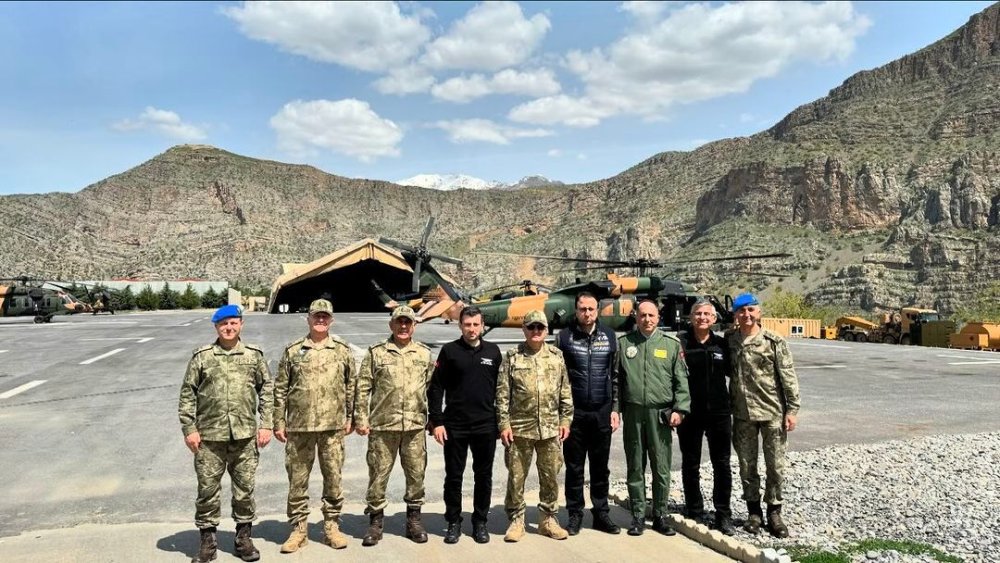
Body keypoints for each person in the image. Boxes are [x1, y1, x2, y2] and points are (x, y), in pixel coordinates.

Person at [178, 304, 273, 563]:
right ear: (216, 327)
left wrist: (266, 424)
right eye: (223, 324)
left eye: (233, 323)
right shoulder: (203, 357)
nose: (229, 328)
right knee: (207, 490)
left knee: (244, 490)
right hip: (209, 438)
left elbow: (267, 390)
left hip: (244, 436)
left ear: (241, 324)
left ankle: (243, 539)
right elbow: (188, 393)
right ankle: (207, 542)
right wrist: (189, 429)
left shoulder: (254, 356)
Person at [273, 299, 356, 553]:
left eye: (325, 317)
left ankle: (331, 526)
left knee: (333, 478)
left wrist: (351, 416)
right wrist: (278, 420)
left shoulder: (342, 350)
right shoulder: (293, 350)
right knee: (297, 481)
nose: (320, 320)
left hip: (332, 427)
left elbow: (351, 385)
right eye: (316, 316)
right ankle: (299, 529)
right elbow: (280, 388)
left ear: (331, 320)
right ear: (308, 319)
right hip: (299, 427)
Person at [354, 305, 434, 546]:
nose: (403, 326)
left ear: (414, 326)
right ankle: (376, 522)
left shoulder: (424, 353)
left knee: (416, 475)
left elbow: (429, 387)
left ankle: (414, 520)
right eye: (399, 322)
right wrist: (361, 418)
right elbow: (363, 387)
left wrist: (429, 417)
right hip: (382, 426)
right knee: (378, 475)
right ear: (391, 325)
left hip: (414, 426)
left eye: (407, 322)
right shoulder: (376, 353)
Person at [614, 300, 691, 537]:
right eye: (642, 315)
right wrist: (615, 409)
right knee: (635, 466)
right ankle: (637, 515)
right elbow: (616, 381)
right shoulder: (624, 344)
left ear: (658, 318)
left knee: (661, 467)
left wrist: (680, 409)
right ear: (636, 317)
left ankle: (660, 515)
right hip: (634, 414)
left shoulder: (670, 345)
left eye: (651, 315)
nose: (647, 319)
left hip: (660, 415)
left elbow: (681, 381)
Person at [496, 309, 574, 542]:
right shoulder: (512, 357)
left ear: (546, 330)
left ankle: (547, 519)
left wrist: (565, 420)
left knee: (550, 476)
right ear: (524, 330)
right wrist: (504, 424)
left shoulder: (556, 356)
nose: (536, 331)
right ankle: (517, 520)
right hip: (520, 428)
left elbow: (565, 392)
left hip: (550, 429)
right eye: (531, 327)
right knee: (516, 477)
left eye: (540, 327)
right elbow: (502, 395)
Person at [727, 293, 800, 538]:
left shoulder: (773, 341)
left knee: (775, 466)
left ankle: (774, 512)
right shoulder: (730, 339)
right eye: (741, 311)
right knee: (747, 466)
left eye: (750, 310)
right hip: (742, 413)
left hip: (772, 412)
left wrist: (792, 409)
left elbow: (788, 376)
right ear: (735, 315)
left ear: (758, 312)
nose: (746, 315)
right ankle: (753, 512)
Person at [428, 306, 503, 544]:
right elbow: (436, 388)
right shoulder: (449, 351)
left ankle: (480, 522)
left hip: (485, 425)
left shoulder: (493, 352)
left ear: (482, 326)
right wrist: (437, 421)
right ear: (460, 325)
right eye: (467, 324)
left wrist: (502, 423)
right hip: (455, 425)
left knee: (483, 476)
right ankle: (453, 522)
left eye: (476, 324)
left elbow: (502, 390)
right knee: (454, 476)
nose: (472, 329)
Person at [555, 292, 620, 535]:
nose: (587, 313)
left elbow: (615, 376)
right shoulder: (564, 338)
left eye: (591, 309)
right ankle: (574, 514)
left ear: (598, 310)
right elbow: (558, 379)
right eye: (582, 309)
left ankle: (601, 513)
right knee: (574, 467)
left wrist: (615, 409)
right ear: (576, 310)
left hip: (601, 412)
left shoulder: (610, 336)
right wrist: (562, 415)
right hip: (575, 414)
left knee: (600, 466)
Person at [677, 299, 736, 535]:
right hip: (690, 413)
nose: (702, 317)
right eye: (698, 313)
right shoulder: (680, 343)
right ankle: (694, 510)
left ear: (714, 319)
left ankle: (723, 514)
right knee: (690, 464)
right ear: (691, 317)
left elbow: (735, 374)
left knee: (721, 464)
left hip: (719, 413)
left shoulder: (722, 345)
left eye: (706, 314)